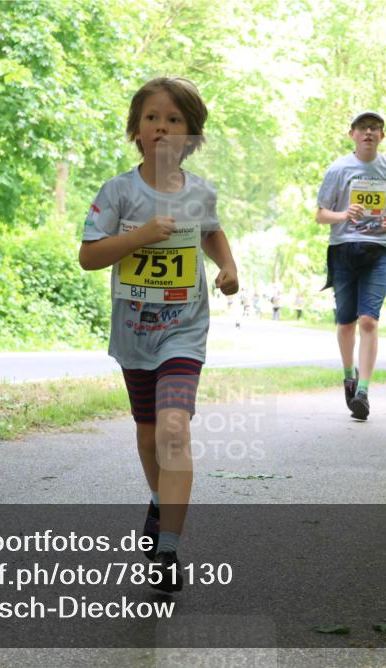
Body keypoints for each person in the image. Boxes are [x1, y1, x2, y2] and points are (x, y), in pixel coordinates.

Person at [78, 77, 238, 592]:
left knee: (173, 430)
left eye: (174, 120)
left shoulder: (200, 193)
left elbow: (211, 231)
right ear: (136, 129)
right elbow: (88, 256)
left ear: (191, 135)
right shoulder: (118, 192)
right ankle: (157, 501)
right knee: (149, 436)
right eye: (152, 118)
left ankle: (168, 549)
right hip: (134, 334)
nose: (162, 128)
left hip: (184, 330)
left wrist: (229, 268)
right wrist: (141, 236)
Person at [316, 110, 386, 421]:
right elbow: (320, 214)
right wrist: (344, 215)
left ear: (382, 136)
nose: (369, 133)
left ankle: (363, 392)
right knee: (346, 323)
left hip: (380, 250)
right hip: (344, 248)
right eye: (363, 128)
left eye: (375, 128)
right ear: (352, 134)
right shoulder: (338, 169)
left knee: (368, 320)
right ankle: (349, 377)